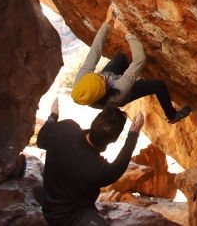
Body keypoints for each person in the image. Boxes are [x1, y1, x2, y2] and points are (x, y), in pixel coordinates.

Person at [71, 4, 191, 123]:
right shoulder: (119, 92)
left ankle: (131, 74)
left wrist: (107, 23)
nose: (102, 75)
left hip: (104, 87)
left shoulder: (82, 84)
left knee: (120, 58)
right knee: (158, 85)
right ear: (104, 89)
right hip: (121, 92)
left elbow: (95, 51)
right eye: (102, 79)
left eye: (97, 75)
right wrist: (126, 31)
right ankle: (172, 115)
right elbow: (139, 59)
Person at [38, 97, 144, 226]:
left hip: (48, 206)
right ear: (114, 140)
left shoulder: (66, 128)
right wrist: (133, 135)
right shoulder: (97, 170)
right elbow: (118, 168)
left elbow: (41, 139)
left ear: (94, 121)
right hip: (71, 217)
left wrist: (53, 115)